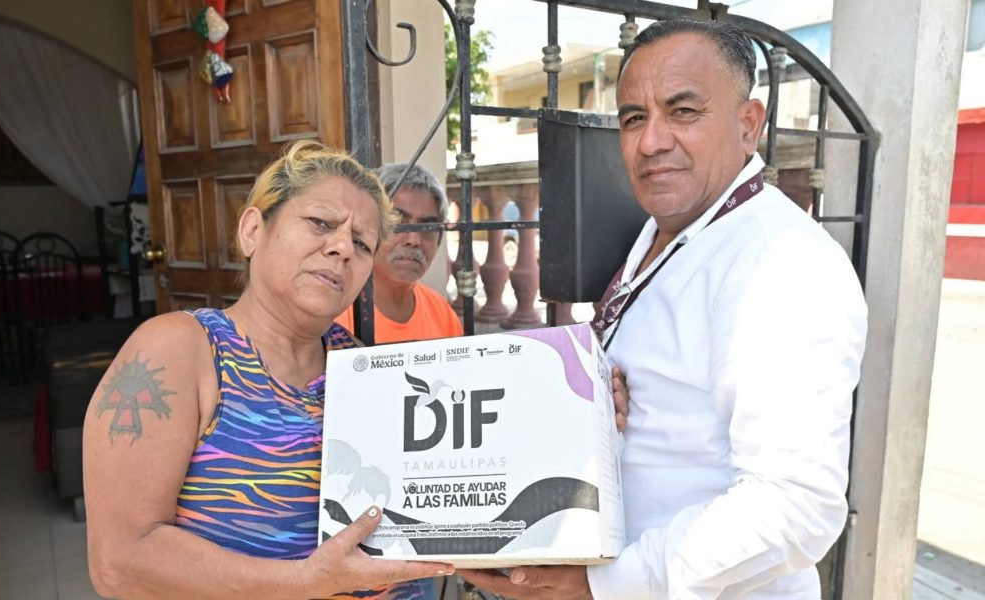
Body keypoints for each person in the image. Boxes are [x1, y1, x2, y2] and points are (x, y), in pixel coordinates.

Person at [460, 18, 868, 600]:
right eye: (634, 118)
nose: (651, 141)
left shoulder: (782, 263)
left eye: (683, 111)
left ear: (748, 124)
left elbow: (795, 505)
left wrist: (602, 584)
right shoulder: (670, 230)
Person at [82, 141, 453, 600]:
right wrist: (307, 582)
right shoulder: (178, 351)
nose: (342, 248)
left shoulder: (363, 369)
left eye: (361, 243)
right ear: (252, 230)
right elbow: (119, 562)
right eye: (320, 223)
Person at [335, 163, 463, 344]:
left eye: (427, 226)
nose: (414, 240)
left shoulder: (441, 312)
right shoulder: (334, 312)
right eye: (398, 223)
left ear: (440, 238)